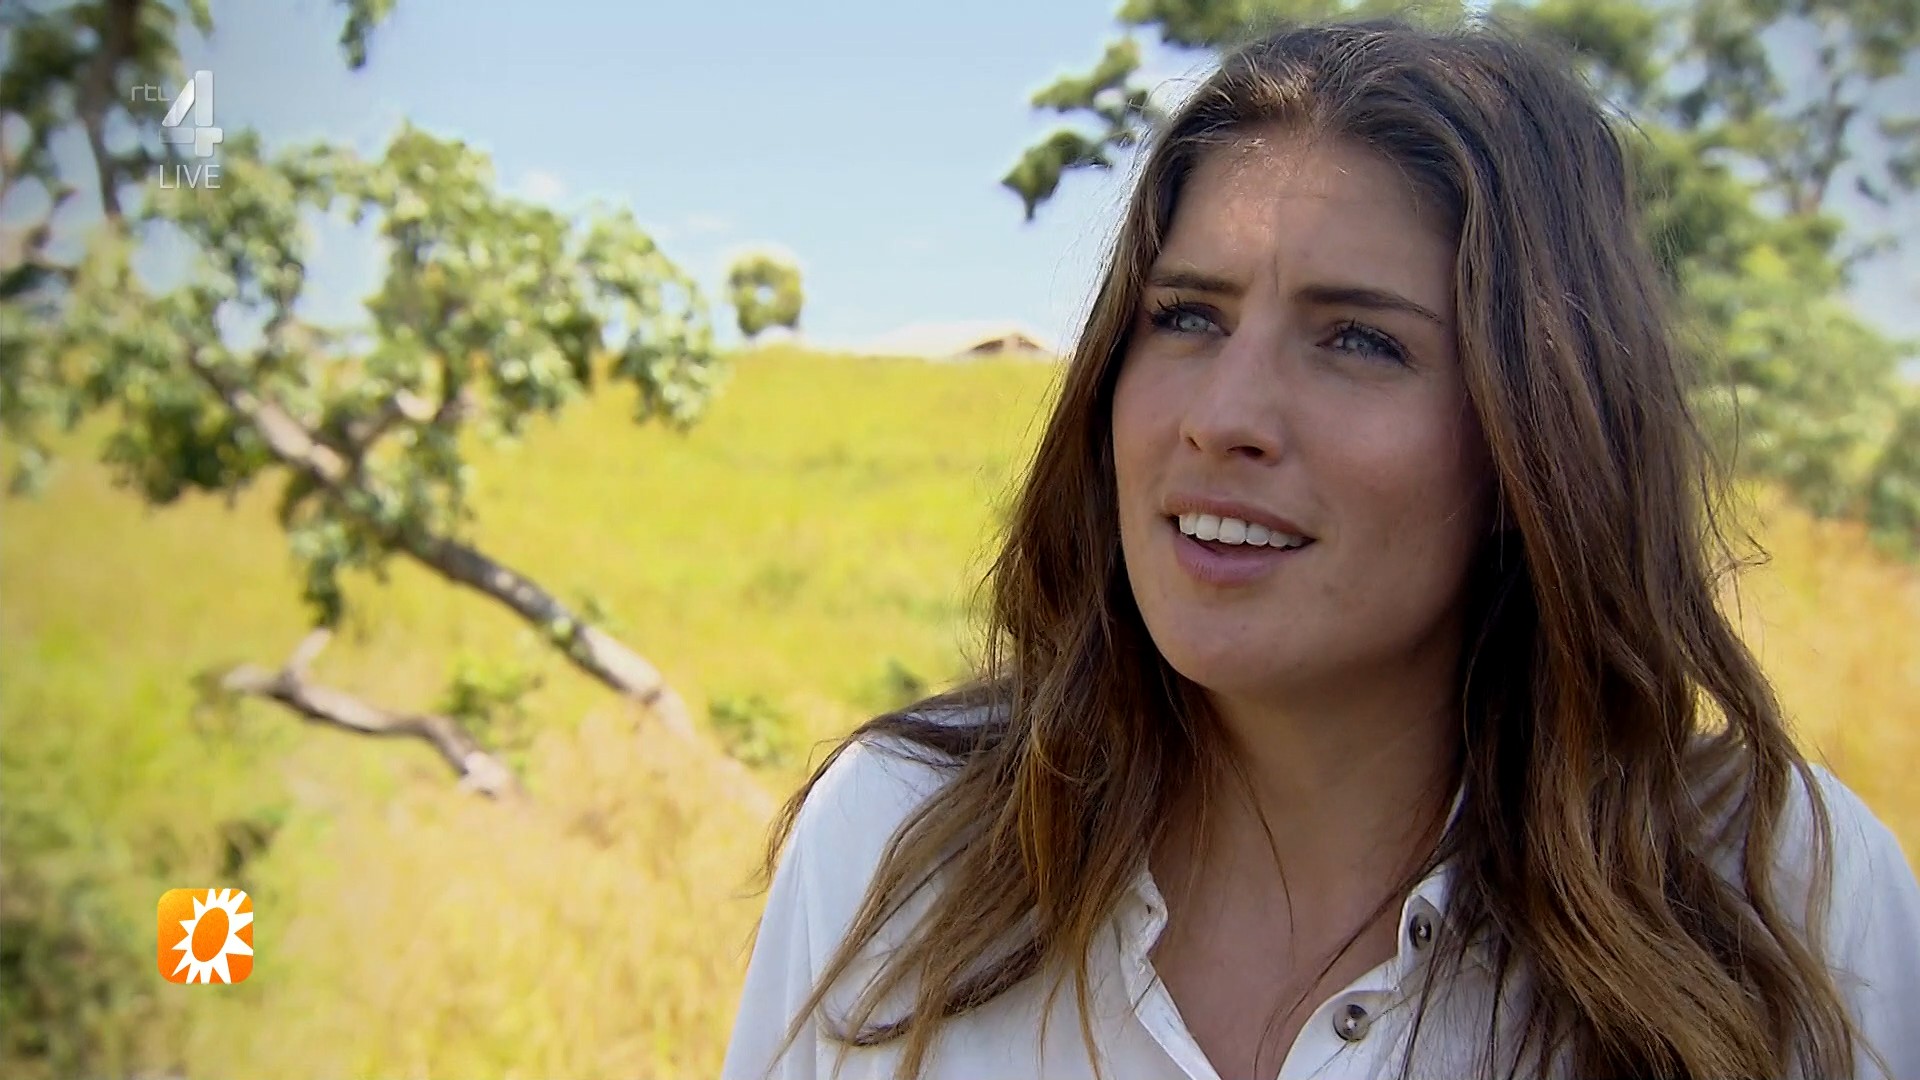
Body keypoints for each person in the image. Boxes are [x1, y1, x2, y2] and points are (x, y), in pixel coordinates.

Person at [721, 16, 1920, 1080]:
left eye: (1358, 340)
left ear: (1537, 443)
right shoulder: (902, 840)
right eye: (1187, 316)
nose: (1222, 417)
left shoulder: (1784, 902)